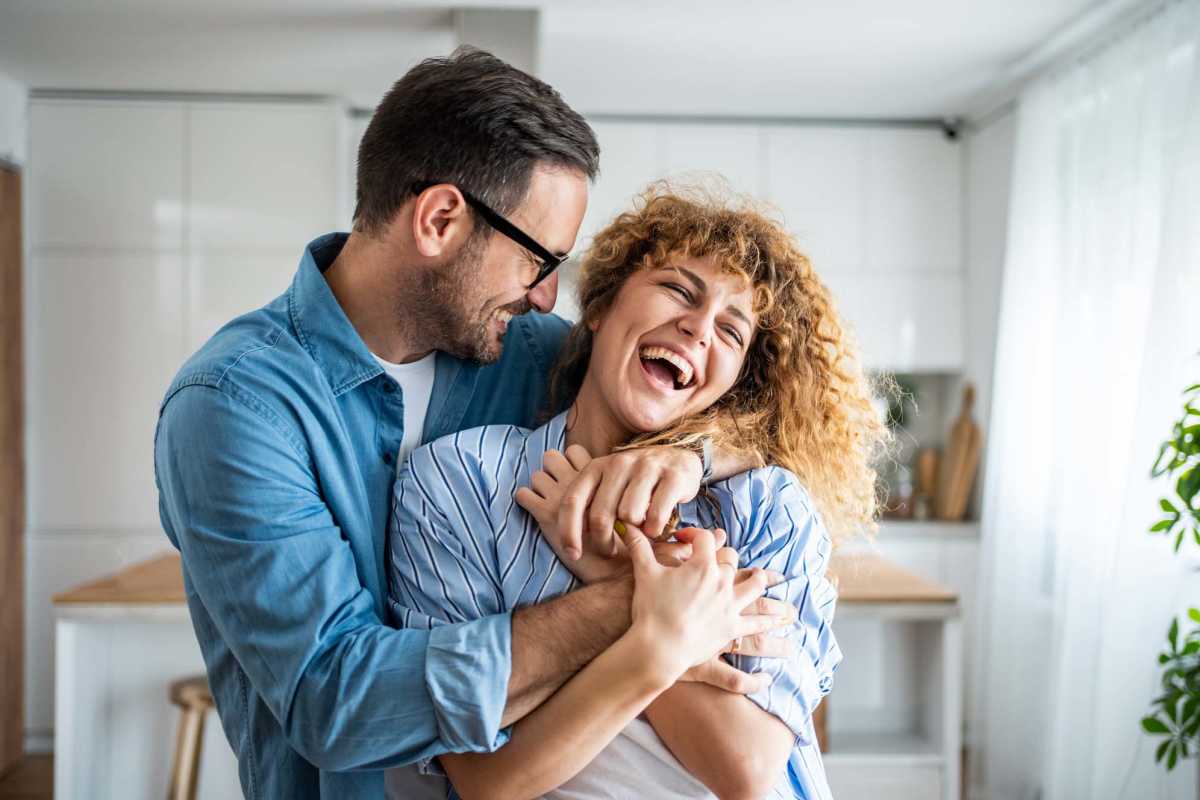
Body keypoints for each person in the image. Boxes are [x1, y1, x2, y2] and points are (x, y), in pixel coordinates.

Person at [154, 49, 782, 799]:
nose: (549, 299)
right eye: (540, 261)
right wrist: (641, 599)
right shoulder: (233, 406)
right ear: (441, 219)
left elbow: (736, 405)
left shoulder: (531, 352)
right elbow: (337, 702)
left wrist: (693, 455)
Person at [387, 186, 890, 799]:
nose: (699, 329)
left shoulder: (764, 505)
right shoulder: (456, 482)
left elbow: (751, 773)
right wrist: (661, 625)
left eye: (732, 332)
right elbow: (485, 781)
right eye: (678, 290)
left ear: (733, 381)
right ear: (600, 306)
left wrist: (619, 571)